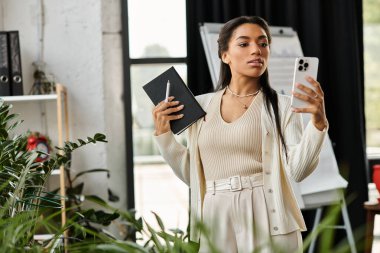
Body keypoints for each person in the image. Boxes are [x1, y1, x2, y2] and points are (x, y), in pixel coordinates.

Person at [152, 16, 328, 253]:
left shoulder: (283, 106)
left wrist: (317, 124)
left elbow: (297, 170)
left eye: (263, 43)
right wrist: (164, 136)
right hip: (215, 213)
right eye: (244, 44)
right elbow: (192, 175)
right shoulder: (200, 106)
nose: (257, 50)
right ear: (224, 55)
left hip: (267, 213)